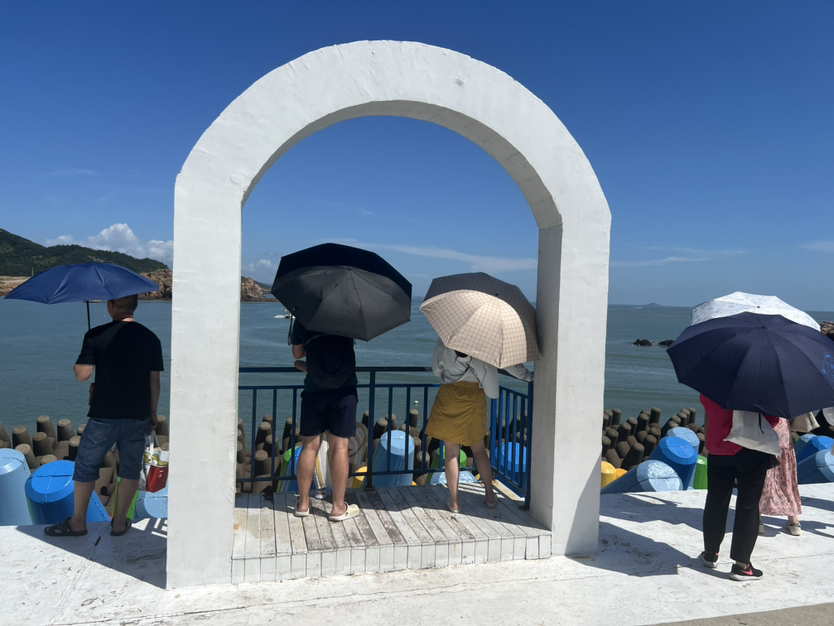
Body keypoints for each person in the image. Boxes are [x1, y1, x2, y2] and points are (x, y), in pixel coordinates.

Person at [45, 294, 163, 538]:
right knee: (130, 470)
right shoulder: (151, 338)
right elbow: (154, 381)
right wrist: (152, 412)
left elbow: (82, 375)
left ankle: (78, 522)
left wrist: (88, 356)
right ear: (135, 306)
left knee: (86, 467)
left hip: (103, 417)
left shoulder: (95, 335)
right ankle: (119, 523)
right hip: (138, 416)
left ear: (111, 305)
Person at [425, 339, 533, 514]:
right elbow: (506, 367)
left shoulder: (445, 341)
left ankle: (454, 502)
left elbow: (437, 370)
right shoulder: (485, 344)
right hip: (474, 397)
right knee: (479, 450)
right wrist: (528, 376)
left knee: (451, 452)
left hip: (450, 395)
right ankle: (490, 496)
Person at [698, 394, 779, 581]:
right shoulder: (763, 387)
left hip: (719, 446)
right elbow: (773, 420)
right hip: (752, 449)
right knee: (748, 504)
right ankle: (742, 565)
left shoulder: (714, 384)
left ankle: (710, 553)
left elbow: (708, 413)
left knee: (716, 499)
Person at [290, 320, 360, 522]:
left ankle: (303, 504)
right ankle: (338, 507)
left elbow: (297, 355)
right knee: (340, 447)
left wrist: (309, 360)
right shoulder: (348, 316)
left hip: (314, 391)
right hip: (345, 391)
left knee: (309, 447)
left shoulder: (304, 317)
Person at [759, 417, 802, 536]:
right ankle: (793, 520)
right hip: (782, 433)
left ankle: (757, 520)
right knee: (787, 479)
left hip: (762, 431)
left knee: (761, 478)